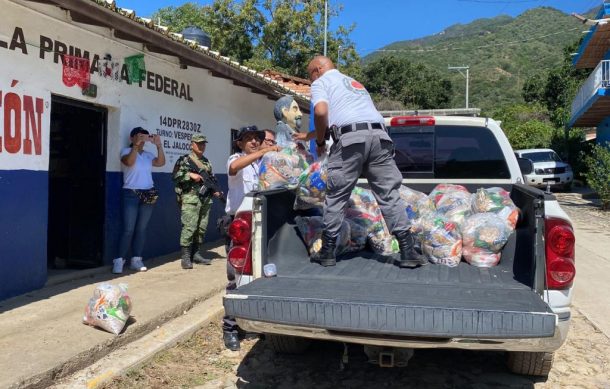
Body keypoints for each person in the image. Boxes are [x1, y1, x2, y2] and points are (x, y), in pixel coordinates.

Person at [295, 56, 427, 269]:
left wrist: (319, 142)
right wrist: (309, 136)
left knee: (337, 193)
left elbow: (321, 113)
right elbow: (350, 119)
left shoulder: (321, 82)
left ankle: (327, 251)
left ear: (317, 70)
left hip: (350, 143)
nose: (311, 81)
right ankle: (407, 250)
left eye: (310, 75)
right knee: (388, 194)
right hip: (380, 138)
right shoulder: (353, 83)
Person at [222, 125, 279, 351]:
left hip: (260, 224)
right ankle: (230, 329)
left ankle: (254, 322)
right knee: (235, 278)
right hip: (239, 226)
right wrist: (261, 153)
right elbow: (234, 168)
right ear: (239, 143)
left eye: (257, 139)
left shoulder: (259, 164)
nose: (254, 142)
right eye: (248, 139)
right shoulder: (236, 159)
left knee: (259, 276)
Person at [112, 127, 166, 274]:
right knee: (128, 229)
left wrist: (158, 145)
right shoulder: (125, 151)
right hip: (131, 193)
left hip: (148, 193)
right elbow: (129, 162)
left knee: (141, 229)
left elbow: (161, 163)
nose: (142, 139)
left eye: (144, 137)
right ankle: (119, 260)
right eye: (139, 136)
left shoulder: (148, 155)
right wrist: (135, 146)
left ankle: (136, 259)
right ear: (132, 138)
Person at [172, 134, 222, 269]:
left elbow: (209, 180)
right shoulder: (184, 160)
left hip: (205, 199)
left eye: (203, 144)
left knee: (201, 227)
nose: (201, 146)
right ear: (191, 144)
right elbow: (175, 176)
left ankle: (196, 254)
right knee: (189, 227)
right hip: (190, 198)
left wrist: (215, 190)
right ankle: (185, 257)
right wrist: (189, 175)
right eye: (198, 143)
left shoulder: (206, 162)